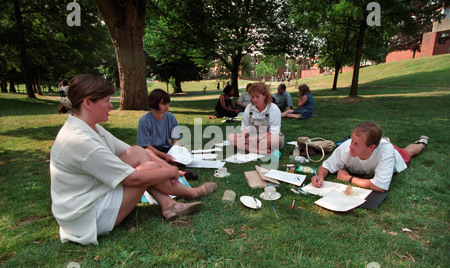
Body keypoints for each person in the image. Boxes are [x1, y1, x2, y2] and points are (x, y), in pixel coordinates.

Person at [50, 74, 217, 245]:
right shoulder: (80, 140)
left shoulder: (89, 128)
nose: (111, 105)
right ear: (87, 103)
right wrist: (172, 171)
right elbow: (133, 178)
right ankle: (193, 193)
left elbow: (136, 151)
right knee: (147, 169)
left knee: (139, 154)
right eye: (106, 100)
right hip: (86, 216)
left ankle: (169, 204)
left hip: (92, 195)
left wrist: (169, 167)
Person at [311, 121, 429, 192]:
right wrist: (319, 177)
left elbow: (380, 186)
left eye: (356, 144)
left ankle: (422, 143)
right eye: (352, 140)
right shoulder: (346, 147)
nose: (351, 146)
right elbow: (325, 166)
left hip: (395, 153)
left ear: (371, 147)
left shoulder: (386, 152)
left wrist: (349, 178)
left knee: (408, 152)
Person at [227, 82, 284, 154]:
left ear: (265, 95)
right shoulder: (249, 108)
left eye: (257, 97)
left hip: (267, 137)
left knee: (275, 140)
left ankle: (247, 147)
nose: (254, 100)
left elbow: (274, 131)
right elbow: (245, 126)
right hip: (252, 136)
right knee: (230, 137)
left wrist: (257, 138)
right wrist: (243, 136)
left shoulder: (273, 109)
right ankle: (258, 150)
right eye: (252, 97)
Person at [137, 89, 180, 163]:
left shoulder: (171, 117)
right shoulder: (144, 121)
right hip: (151, 151)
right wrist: (164, 155)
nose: (167, 107)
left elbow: (175, 139)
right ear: (154, 104)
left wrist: (177, 150)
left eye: (168, 103)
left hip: (166, 149)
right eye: (163, 104)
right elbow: (146, 146)